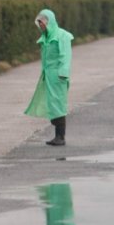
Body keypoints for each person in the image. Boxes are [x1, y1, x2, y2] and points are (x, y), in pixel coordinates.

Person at [24, 9, 73, 146]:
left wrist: (63, 73)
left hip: (58, 75)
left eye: (43, 22)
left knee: (58, 104)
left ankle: (60, 136)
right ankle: (57, 134)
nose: (41, 25)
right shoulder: (45, 37)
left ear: (50, 21)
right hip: (48, 75)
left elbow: (65, 55)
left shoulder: (62, 36)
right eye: (39, 23)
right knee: (51, 104)